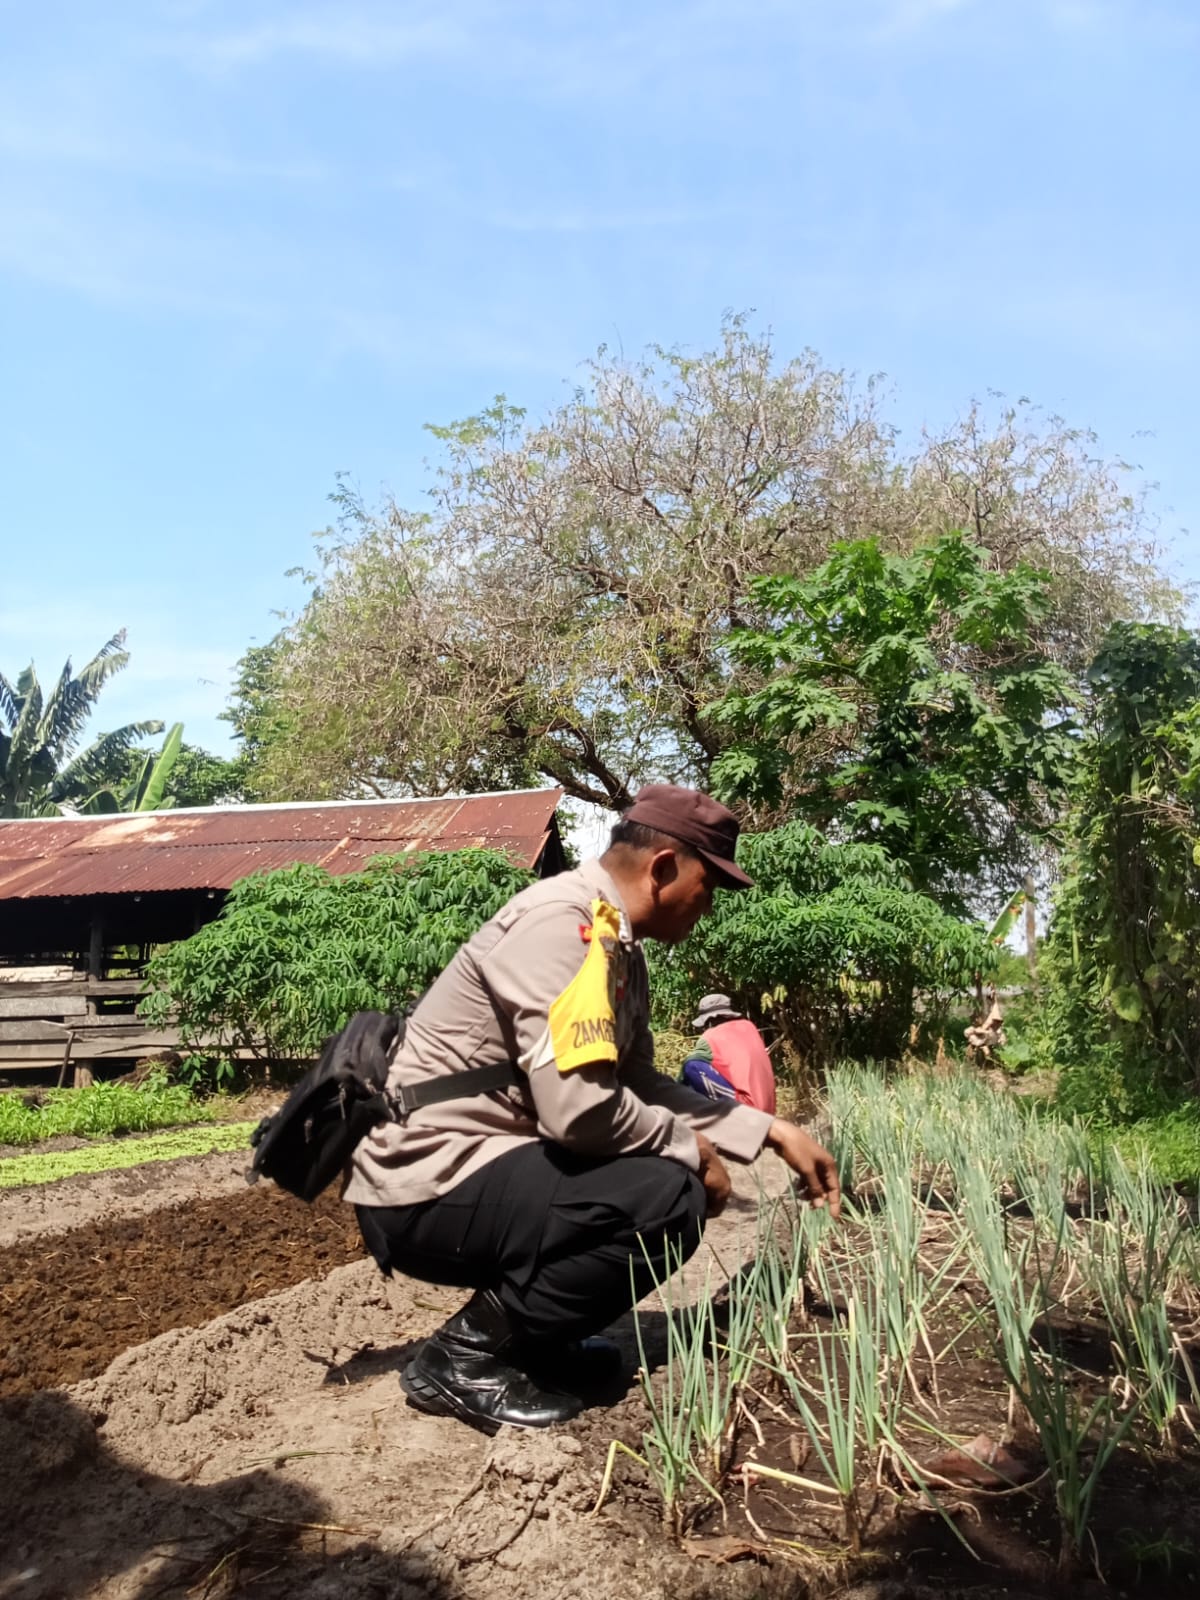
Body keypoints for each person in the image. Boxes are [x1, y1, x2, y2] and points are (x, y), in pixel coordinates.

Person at [344, 783, 840, 1434]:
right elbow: (578, 1113)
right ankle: (464, 1358)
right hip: (420, 1186)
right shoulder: (566, 927)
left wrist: (767, 1129)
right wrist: (692, 1149)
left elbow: (635, 1083)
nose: (708, 906)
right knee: (665, 1192)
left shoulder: (616, 943)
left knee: (661, 1177)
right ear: (664, 868)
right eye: (708, 885)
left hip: (474, 1170)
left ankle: (535, 1345)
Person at [681, 994, 777, 1115]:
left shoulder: (709, 1037)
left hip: (748, 1109)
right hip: (768, 1108)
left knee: (691, 1066)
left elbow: (687, 1074)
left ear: (709, 1021)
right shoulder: (749, 1027)